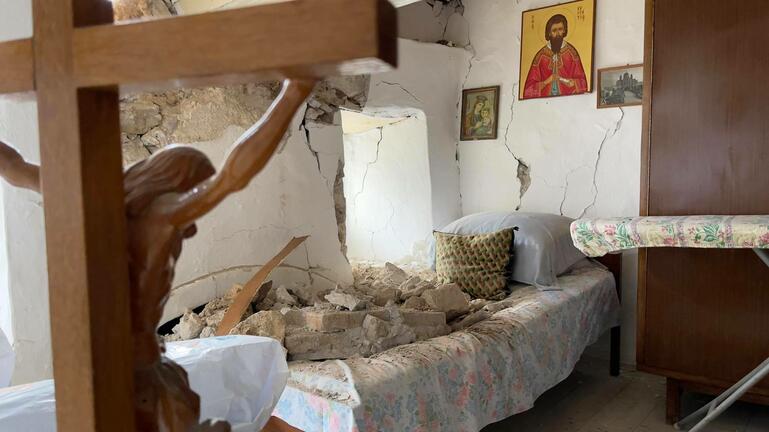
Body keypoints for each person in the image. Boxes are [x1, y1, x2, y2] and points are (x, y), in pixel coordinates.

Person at [0, 77, 317, 431]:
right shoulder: (162, 216)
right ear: (174, 187)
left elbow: (15, 167)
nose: (192, 228)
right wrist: (293, 93)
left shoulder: (90, 200)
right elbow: (234, 174)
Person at [523, 14, 588, 98]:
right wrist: (546, 82)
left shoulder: (571, 53)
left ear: (564, 31)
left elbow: (583, 82)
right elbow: (528, 90)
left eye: (560, 29)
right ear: (549, 33)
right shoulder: (540, 56)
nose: (557, 33)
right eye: (554, 30)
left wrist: (573, 83)